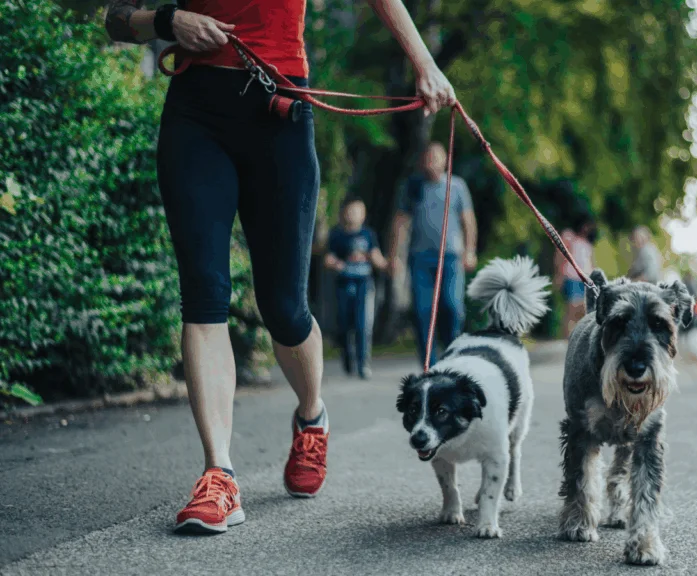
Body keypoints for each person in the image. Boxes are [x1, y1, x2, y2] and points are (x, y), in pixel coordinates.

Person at [104, 0, 456, 534]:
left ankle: (312, 415)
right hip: (196, 116)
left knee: (285, 308)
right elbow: (114, 15)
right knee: (204, 294)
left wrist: (424, 62)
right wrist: (167, 22)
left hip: (280, 113)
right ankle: (218, 474)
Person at [389, 143, 478, 367]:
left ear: (446, 160)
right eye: (427, 158)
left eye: (436, 158)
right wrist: (394, 256)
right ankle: (430, 365)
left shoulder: (457, 186)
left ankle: (453, 358)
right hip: (420, 259)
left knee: (452, 307)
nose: (431, 162)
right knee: (421, 312)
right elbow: (400, 223)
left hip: (450, 258)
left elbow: (468, 221)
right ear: (421, 161)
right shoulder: (412, 187)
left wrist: (470, 251)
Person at [325, 198, 387, 380]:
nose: (354, 215)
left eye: (358, 211)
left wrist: (386, 265)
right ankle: (347, 358)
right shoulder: (336, 235)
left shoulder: (368, 235)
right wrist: (335, 264)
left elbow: (376, 257)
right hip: (344, 284)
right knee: (344, 325)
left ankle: (363, 364)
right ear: (344, 213)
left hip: (364, 284)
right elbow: (328, 258)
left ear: (364, 214)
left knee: (363, 325)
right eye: (350, 211)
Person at [554, 215, 596, 338]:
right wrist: (559, 275)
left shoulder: (587, 243)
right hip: (572, 277)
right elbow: (560, 256)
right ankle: (566, 340)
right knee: (572, 308)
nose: (587, 228)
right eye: (586, 225)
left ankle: (578, 337)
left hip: (585, 279)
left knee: (583, 310)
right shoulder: (569, 236)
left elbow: (590, 262)